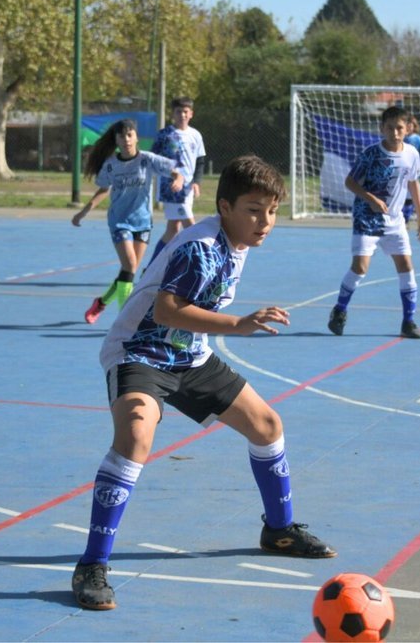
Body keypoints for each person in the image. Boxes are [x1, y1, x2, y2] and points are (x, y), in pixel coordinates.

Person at [71, 155, 337, 611]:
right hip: (142, 351)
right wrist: (239, 323)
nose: (265, 221)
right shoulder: (200, 247)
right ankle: (92, 565)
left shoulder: (237, 242)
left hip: (189, 355)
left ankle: (279, 531)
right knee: (136, 433)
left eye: (272, 211)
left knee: (267, 426)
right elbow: (166, 312)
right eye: (254, 210)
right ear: (225, 206)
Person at [326, 105, 420, 340]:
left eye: (399, 128)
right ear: (382, 128)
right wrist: (370, 198)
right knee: (360, 267)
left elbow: (413, 184)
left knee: (406, 266)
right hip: (366, 217)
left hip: (395, 220)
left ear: (407, 129)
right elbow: (350, 182)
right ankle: (339, 311)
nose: (394, 132)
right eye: (389, 128)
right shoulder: (371, 154)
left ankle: (408, 321)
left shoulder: (411, 154)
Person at [72, 118, 183, 324]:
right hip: (119, 221)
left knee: (128, 272)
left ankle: (101, 302)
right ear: (116, 140)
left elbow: (176, 172)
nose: (126, 139)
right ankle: (126, 320)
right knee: (130, 265)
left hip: (142, 221)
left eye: (129, 135)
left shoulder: (147, 160)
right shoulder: (111, 166)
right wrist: (84, 211)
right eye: (121, 136)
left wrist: (177, 179)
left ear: (136, 138)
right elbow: (104, 189)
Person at [148, 97, 206, 263]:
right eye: (179, 111)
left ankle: (152, 267)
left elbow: (200, 160)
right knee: (191, 226)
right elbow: (154, 159)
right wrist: (171, 176)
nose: (182, 115)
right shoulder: (164, 135)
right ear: (172, 114)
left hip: (187, 187)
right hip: (171, 188)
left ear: (191, 114)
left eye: (185, 111)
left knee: (173, 229)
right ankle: (201, 262)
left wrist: (196, 182)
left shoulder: (195, 135)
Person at [402, 114, 420, 223]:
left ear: (414, 126)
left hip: (414, 168)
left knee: (412, 193)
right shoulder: (402, 138)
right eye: (406, 124)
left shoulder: (419, 139)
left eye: (411, 124)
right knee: (401, 192)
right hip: (403, 168)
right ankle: (401, 217)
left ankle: (406, 218)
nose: (409, 126)